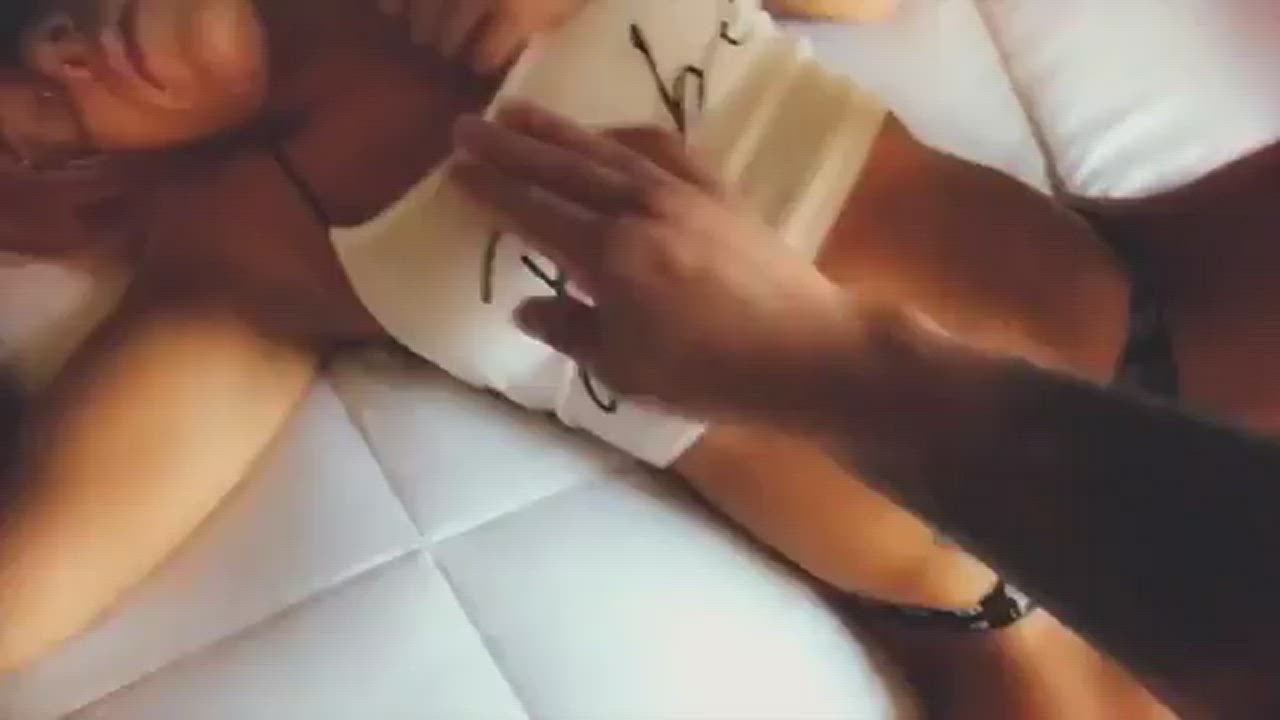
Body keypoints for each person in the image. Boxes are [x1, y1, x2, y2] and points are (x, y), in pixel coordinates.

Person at [0, 0, 1237, 717]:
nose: (54, 46)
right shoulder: (250, 241)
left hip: (1176, 332)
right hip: (994, 610)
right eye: (24, 91)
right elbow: (38, 571)